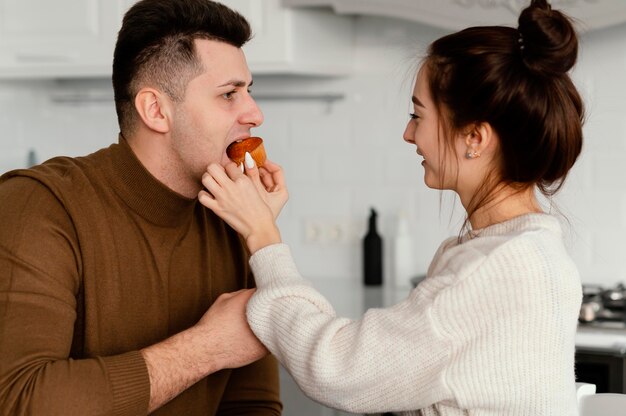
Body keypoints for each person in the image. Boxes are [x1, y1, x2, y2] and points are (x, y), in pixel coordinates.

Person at [198, 0, 585, 414]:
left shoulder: (495, 269)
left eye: (418, 115)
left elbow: (335, 369)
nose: (408, 133)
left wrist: (263, 238)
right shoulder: (521, 250)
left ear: (474, 137)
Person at [0, 1, 282, 415]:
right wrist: (205, 348)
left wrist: (264, 238)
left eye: (249, 91)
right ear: (156, 110)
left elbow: (252, 403)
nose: (254, 114)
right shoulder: (38, 206)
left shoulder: (233, 220)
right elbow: (18, 400)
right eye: (229, 94)